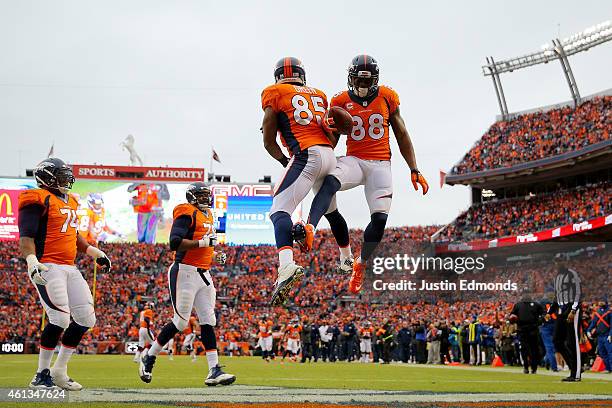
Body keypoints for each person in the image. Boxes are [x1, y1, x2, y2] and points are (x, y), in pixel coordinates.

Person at [305, 55, 429, 294]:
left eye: (367, 81)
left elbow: (402, 134)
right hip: (355, 160)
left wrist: (414, 168)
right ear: (351, 79)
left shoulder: (387, 97)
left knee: (380, 220)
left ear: (375, 79)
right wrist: (324, 130)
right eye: (358, 81)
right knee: (328, 181)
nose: (362, 86)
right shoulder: (340, 100)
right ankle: (310, 226)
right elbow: (332, 141)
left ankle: (360, 265)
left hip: (381, 164)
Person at [19, 158, 111, 390]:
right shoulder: (36, 198)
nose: (66, 179)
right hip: (48, 265)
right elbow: (26, 237)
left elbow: (74, 235)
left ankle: (59, 372)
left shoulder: (69, 200)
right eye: (61, 175)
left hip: (69, 266)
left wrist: (94, 252)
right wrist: (32, 261)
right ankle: (41, 374)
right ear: (47, 178)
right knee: (59, 318)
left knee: (86, 319)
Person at [138, 182, 235, 386]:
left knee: (208, 320)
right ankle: (150, 356)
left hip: (203, 273)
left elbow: (204, 247)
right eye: (201, 196)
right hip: (185, 271)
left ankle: (214, 369)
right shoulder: (186, 211)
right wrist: (202, 244)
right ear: (191, 197)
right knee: (181, 322)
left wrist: (214, 256)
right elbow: (174, 242)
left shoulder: (208, 216)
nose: (205, 199)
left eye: (206, 196)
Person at [260, 57, 336, 306]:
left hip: (305, 153)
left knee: (278, 210)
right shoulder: (320, 95)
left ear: (278, 76)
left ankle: (286, 266)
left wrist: (284, 160)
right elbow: (331, 134)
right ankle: (310, 233)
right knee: (331, 210)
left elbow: (269, 141)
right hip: (329, 154)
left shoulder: (274, 92)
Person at [546, 255, 582, 382]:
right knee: (557, 340)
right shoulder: (557, 277)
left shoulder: (572, 274)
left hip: (572, 310)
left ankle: (576, 374)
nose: (558, 263)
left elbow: (578, 292)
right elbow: (557, 296)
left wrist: (573, 309)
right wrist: (550, 311)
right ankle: (573, 367)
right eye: (556, 261)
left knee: (573, 342)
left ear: (565, 261)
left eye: (560, 261)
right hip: (561, 310)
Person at [511, 296, 545, 374]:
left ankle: (533, 367)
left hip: (532, 329)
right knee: (525, 349)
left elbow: (544, 313)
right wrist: (512, 319)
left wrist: (540, 320)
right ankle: (527, 367)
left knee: (532, 349)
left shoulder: (535, 305)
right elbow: (512, 315)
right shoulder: (518, 305)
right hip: (523, 330)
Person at [586, 302, 611, 373]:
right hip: (600, 336)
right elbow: (593, 323)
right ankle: (608, 368)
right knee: (602, 353)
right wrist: (588, 330)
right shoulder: (598, 312)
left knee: (610, 352)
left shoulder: (609, 312)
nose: (600, 303)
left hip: (607, 335)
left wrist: (610, 334)